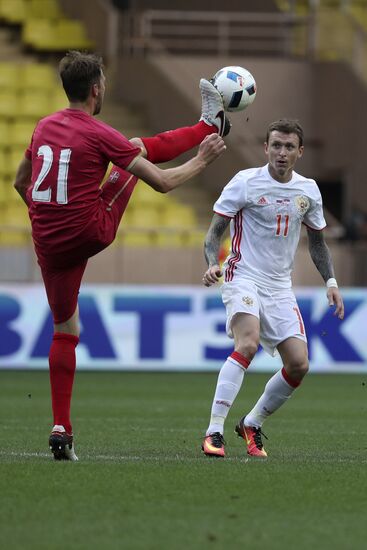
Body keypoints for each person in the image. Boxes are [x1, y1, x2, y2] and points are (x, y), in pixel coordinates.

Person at [13, 50, 228, 461]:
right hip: (88, 231)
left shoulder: (43, 127)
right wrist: (202, 161)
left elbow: (21, 183)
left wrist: (45, 215)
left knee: (64, 331)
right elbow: (163, 183)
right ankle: (208, 129)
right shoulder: (98, 132)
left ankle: (61, 428)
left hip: (48, 241)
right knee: (132, 153)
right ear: (96, 90)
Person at [201, 118, 344, 459]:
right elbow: (214, 233)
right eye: (276, 145)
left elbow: (318, 245)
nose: (281, 153)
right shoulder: (245, 183)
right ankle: (214, 431)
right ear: (265, 148)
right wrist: (211, 262)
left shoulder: (308, 191)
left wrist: (331, 281)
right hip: (243, 275)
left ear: (300, 152)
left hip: (280, 287)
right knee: (247, 342)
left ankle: (251, 423)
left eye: (289, 147)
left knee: (298, 365)